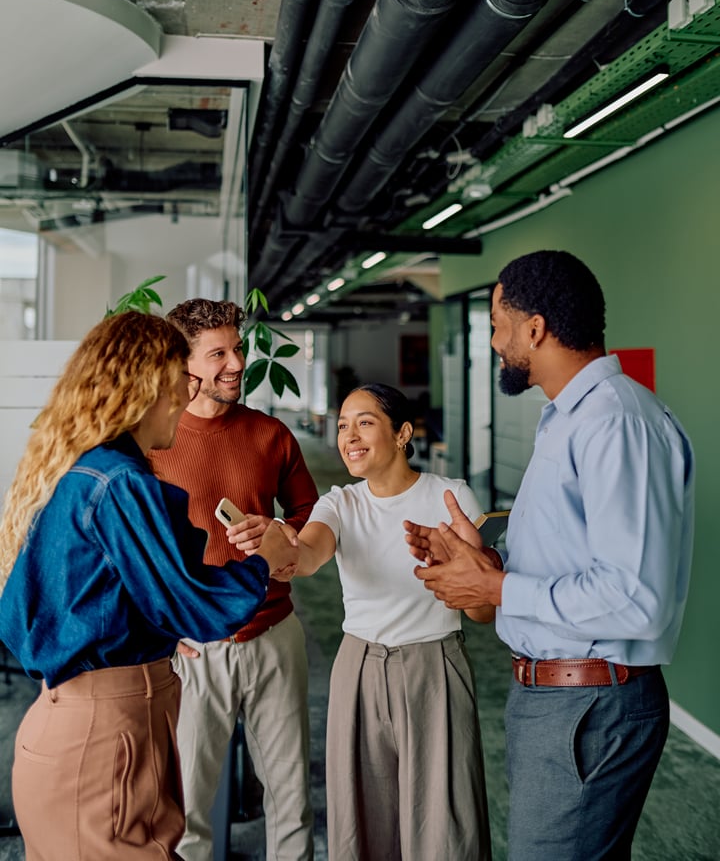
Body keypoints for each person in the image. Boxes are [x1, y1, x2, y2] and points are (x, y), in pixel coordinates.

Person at [405, 250, 695, 861]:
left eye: (494, 324)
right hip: (562, 701)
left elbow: (631, 598)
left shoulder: (614, 424)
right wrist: (480, 556)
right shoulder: (569, 420)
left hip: (590, 706)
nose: (492, 342)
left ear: (533, 328)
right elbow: (569, 548)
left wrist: (497, 589)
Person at [0, 311, 297, 861]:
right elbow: (198, 604)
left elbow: (21, 620)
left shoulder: (86, 468)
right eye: (176, 386)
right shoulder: (119, 482)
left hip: (86, 723)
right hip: (101, 734)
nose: (185, 401)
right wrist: (267, 561)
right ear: (143, 389)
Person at [247, 383, 493, 861]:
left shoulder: (450, 497)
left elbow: (482, 612)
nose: (349, 436)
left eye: (364, 422)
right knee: (362, 819)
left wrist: (462, 569)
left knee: (443, 822)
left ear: (402, 433)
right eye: (342, 425)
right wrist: (279, 545)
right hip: (358, 668)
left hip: (435, 666)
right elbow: (310, 554)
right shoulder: (340, 503)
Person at [148, 298, 317, 861]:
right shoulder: (153, 441)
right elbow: (134, 551)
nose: (236, 362)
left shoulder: (271, 435)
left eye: (238, 348)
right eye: (218, 352)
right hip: (196, 648)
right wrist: (162, 627)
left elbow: (310, 517)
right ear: (184, 364)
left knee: (291, 801)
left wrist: (279, 533)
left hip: (274, 634)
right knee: (189, 809)